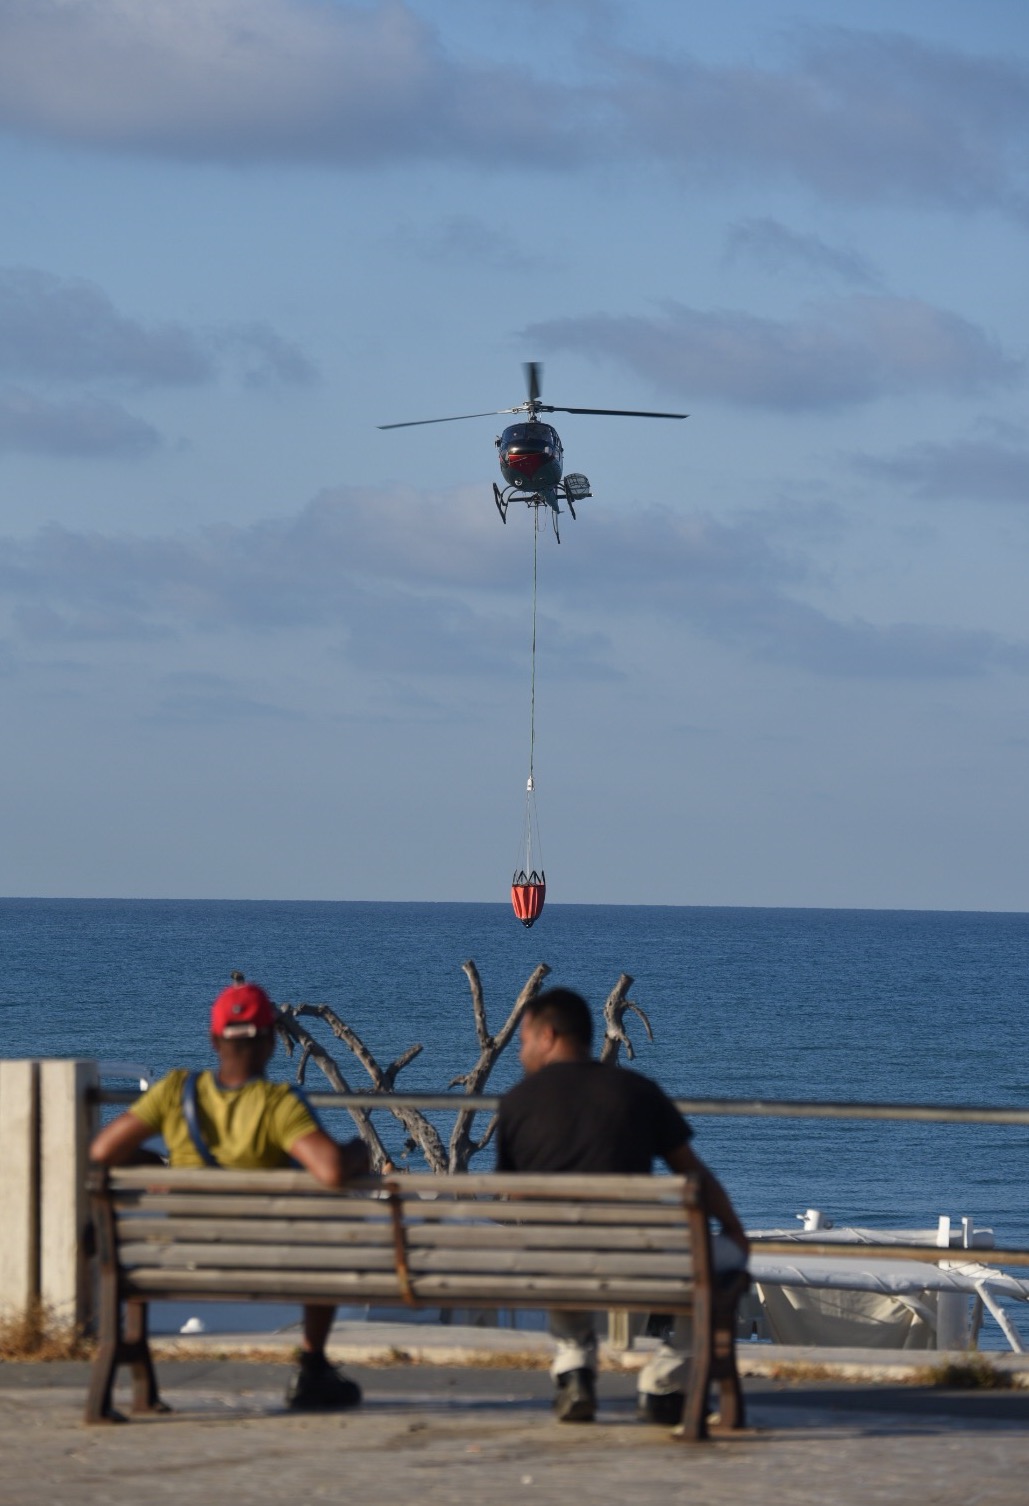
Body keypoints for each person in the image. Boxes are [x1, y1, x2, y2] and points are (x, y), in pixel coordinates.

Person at [89, 979, 370, 1411]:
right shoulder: (278, 1104)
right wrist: (358, 1151)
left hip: (176, 1255)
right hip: (265, 1256)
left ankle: (134, 1378)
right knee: (325, 1245)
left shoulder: (174, 1091)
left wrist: (152, 1166)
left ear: (213, 1039)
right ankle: (312, 1366)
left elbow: (103, 1151)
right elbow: (329, 1170)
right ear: (272, 1042)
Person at [496, 986, 749, 1426]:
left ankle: (574, 1367)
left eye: (523, 1042)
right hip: (634, 1260)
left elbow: (512, 1194)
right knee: (724, 1267)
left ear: (549, 1035)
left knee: (559, 1249)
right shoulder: (637, 1091)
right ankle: (664, 1384)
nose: (520, 1054)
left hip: (548, 1260)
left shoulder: (517, 1102)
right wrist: (734, 1229)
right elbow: (694, 1175)